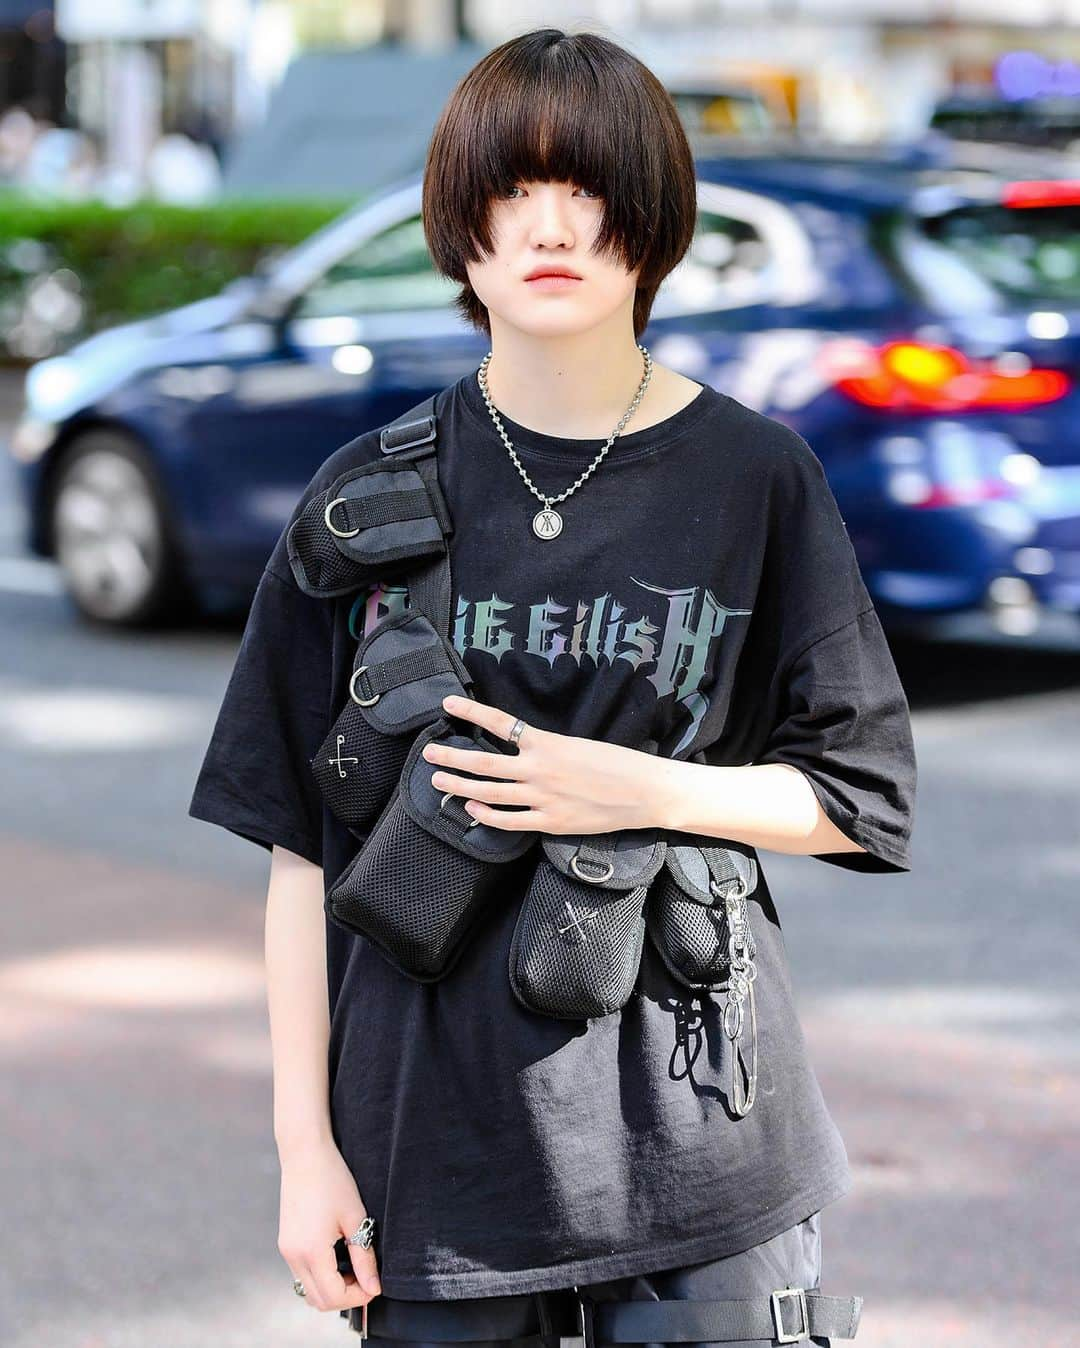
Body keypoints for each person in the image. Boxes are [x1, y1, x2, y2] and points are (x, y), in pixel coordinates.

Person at [188, 25, 916, 1348]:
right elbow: (299, 847)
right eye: (511, 193)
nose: (550, 226)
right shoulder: (364, 496)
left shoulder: (755, 476)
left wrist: (626, 786)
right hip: (432, 1150)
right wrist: (305, 1151)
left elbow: (861, 796)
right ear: (459, 227)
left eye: (586, 189)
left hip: (703, 1139)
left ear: (651, 219)